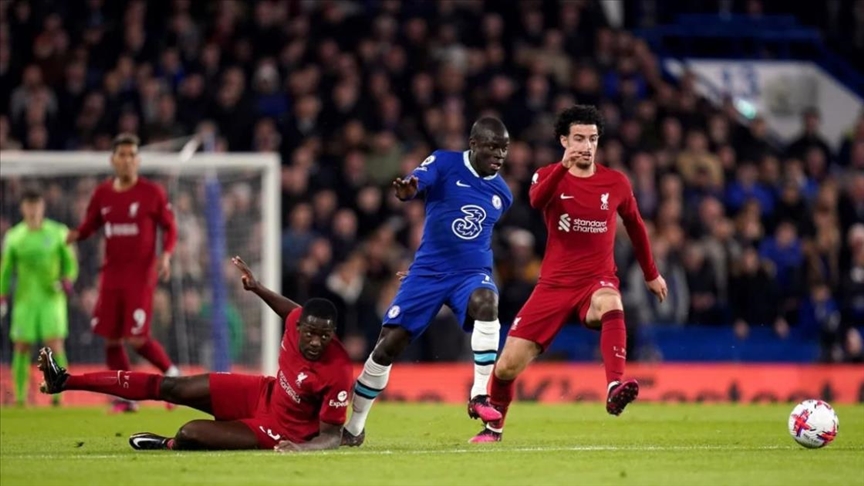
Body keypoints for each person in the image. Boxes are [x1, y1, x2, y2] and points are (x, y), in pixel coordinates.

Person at [470, 105, 668, 443]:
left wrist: (652, 273)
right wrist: (563, 167)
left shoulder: (616, 182)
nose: (586, 146)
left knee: (611, 301)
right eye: (579, 138)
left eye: (592, 139)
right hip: (553, 286)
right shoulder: (548, 174)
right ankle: (494, 429)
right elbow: (536, 201)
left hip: (596, 281)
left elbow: (636, 226)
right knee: (506, 367)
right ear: (564, 140)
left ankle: (614, 385)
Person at [37, 256, 352, 452]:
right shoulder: (297, 319)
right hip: (262, 393)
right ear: (300, 327)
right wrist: (257, 288)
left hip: (279, 430)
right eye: (310, 333)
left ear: (332, 334)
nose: (316, 341)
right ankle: (64, 381)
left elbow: (332, 436)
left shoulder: (337, 370)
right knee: (173, 387)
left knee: (189, 433)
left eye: (324, 336)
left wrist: (300, 449)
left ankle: (168, 444)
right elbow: (290, 310)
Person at [342, 117, 513, 446]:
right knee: (388, 345)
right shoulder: (445, 162)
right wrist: (409, 191)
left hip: (471, 274)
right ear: (474, 144)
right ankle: (354, 428)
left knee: (487, 303)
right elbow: (416, 182)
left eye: (504, 148)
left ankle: (479, 394)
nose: (499, 154)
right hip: (428, 272)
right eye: (493, 146)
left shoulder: (502, 193)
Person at [66, 133, 179, 413]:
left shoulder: (151, 192)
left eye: (132, 155)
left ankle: (174, 377)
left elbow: (170, 227)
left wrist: (166, 255)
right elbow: (91, 225)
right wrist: (75, 235)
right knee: (112, 338)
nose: (127, 160)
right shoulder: (102, 194)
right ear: (113, 160)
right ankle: (126, 398)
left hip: (140, 277)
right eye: (122, 155)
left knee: (137, 338)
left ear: (138, 160)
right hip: (111, 276)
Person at [0, 189, 78, 407]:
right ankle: (20, 398)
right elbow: (6, 270)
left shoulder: (58, 232)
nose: (33, 210)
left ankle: (59, 396)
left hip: (51, 299)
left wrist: (67, 280)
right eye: (29, 206)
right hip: (25, 300)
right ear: (22, 208)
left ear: (42, 207)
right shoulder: (14, 236)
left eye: (36, 205)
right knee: (21, 346)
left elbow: (70, 263)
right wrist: (2, 295)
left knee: (55, 345)